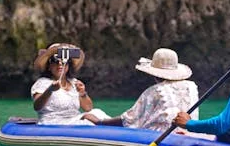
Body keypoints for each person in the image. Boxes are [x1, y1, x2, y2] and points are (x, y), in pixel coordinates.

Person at [83, 48, 212, 139]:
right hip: (189, 133)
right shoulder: (192, 86)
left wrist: (100, 122)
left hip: (162, 136)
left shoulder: (155, 91)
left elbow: (127, 120)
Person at [31, 43, 109, 125]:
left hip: (74, 119)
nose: (60, 64)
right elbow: (37, 107)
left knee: (96, 112)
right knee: (88, 117)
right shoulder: (42, 82)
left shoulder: (74, 82)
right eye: (55, 61)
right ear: (49, 66)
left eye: (64, 61)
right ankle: (107, 124)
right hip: (53, 122)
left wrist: (82, 93)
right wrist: (49, 90)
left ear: (68, 65)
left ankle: (114, 124)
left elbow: (88, 108)